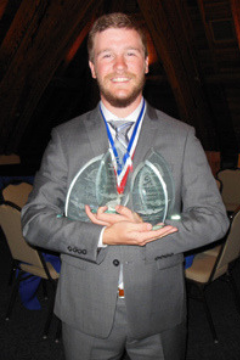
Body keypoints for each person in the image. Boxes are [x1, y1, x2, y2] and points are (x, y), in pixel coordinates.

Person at [22, 12, 229, 360]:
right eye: (107, 55)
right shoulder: (64, 138)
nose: (119, 65)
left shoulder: (181, 137)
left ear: (146, 63)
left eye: (130, 53)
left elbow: (213, 218)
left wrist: (148, 232)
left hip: (159, 310)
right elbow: (34, 221)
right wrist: (103, 236)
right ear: (92, 67)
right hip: (85, 311)